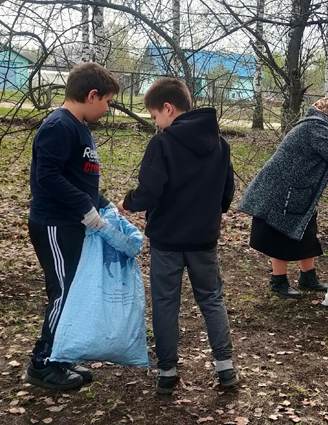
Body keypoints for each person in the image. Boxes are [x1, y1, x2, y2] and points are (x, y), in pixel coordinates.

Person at [117, 77, 238, 395]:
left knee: (165, 302)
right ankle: (225, 367)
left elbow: (149, 190)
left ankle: (167, 371)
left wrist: (129, 202)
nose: (156, 123)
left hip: (167, 241)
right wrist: (212, 213)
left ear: (168, 108)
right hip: (204, 240)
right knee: (211, 299)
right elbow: (227, 191)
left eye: (155, 116)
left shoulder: (162, 143)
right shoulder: (221, 144)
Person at [25, 63, 120, 390]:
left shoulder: (80, 127)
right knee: (63, 293)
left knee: (74, 292)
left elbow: (80, 178)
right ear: (91, 95)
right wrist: (84, 208)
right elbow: (48, 177)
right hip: (54, 224)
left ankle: (61, 357)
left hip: (73, 224)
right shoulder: (59, 125)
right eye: (106, 101)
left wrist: (103, 205)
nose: (107, 108)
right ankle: (42, 364)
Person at [239, 97, 328, 299]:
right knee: (279, 234)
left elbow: (326, 161)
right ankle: (278, 281)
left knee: (307, 232)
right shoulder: (315, 127)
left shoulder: (318, 126)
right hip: (281, 191)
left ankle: (308, 277)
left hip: (298, 191)